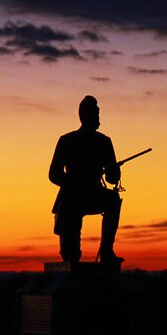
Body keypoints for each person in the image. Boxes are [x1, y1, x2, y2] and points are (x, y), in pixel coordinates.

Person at [49, 95, 123, 265]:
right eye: (95, 114)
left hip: (95, 192)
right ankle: (71, 250)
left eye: (98, 114)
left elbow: (112, 178)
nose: (98, 118)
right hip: (72, 196)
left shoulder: (104, 142)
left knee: (113, 200)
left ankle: (106, 250)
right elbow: (53, 174)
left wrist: (114, 172)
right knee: (70, 256)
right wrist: (73, 183)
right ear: (84, 116)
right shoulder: (66, 140)